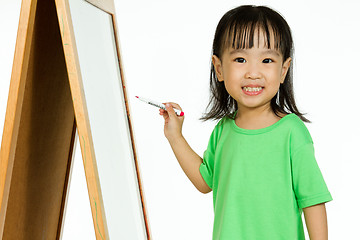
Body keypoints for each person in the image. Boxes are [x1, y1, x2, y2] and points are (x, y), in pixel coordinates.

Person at [159, 5, 332, 240]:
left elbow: (312, 200)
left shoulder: (292, 132)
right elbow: (204, 181)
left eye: (267, 60)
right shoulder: (223, 130)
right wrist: (175, 136)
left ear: (283, 70)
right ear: (219, 68)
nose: (253, 72)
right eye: (240, 59)